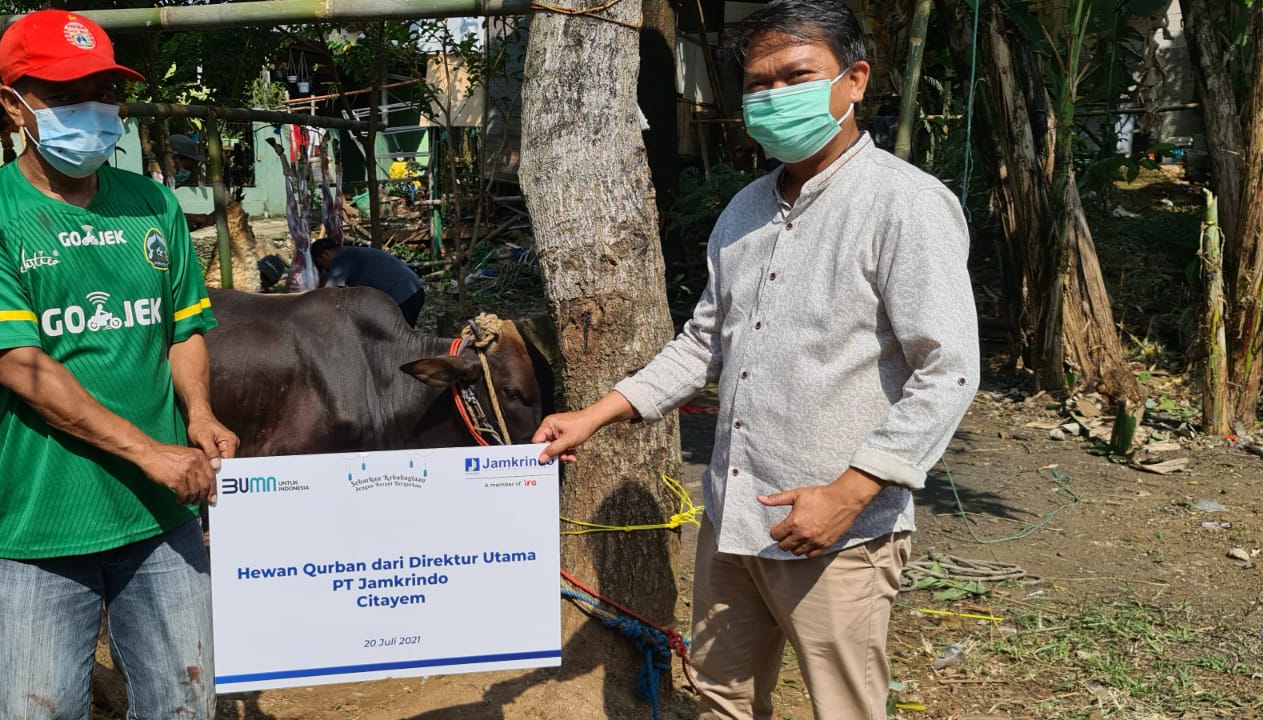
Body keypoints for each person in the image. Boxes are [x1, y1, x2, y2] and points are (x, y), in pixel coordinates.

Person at [532, 1, 979, 717]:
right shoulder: (744, 209)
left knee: (845, 706)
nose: (773, 99)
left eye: (795, 76)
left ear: (855, 79)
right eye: (757, 85)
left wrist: (848, 493)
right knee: (721, 698)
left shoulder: (906, 205)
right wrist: (598, 414)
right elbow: (703, 344)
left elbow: (948, 369)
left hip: (838, 530)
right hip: (733, 515)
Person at [0, 10, 235, 718]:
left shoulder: (153, 204)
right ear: (13, 104)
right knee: (43, 710)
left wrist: (199, 413)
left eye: (102, 91)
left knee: (186, 704)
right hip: (42, 524)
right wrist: (151, 454)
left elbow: (183, 328)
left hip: (161, 517)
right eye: (65, 95)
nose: (91, 112)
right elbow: (19, 366)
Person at [310, 239, 425, 327]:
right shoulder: (351, 253)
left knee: (398, 340)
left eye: (321, 265)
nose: (325, 270)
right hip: (412, 289)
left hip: (403, 295)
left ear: (325, 254)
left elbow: (329, 292)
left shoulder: (341, 257)